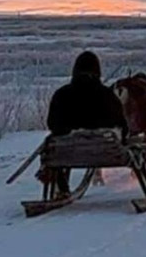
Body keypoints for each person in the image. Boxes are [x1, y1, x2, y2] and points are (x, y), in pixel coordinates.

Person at [45, 50, 128, 196]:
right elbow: (122, 126)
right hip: (107, 153)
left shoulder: (61, 95)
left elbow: (52, 124)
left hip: (65, 154)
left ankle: (61, 188)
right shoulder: (107, 95)